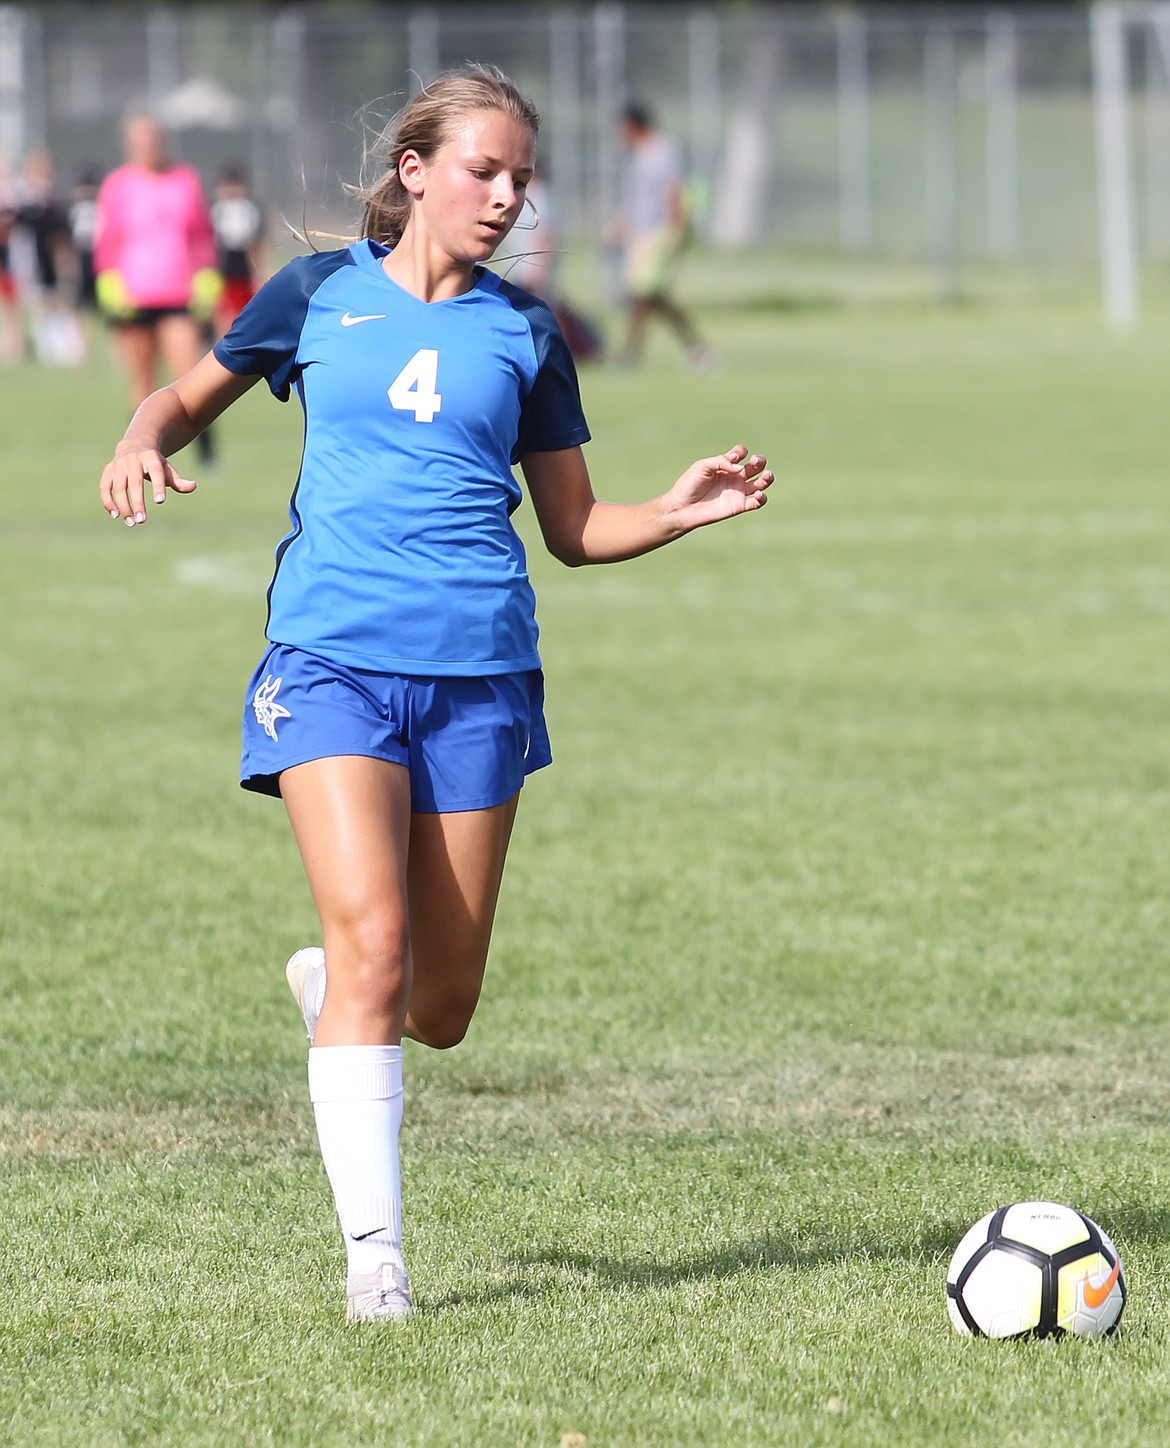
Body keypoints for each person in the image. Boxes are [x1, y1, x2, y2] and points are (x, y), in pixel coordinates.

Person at [98, 65, 771, 1324]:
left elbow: (572, 528)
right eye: (484, 170)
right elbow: (183, 395)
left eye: (522, 177)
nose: (507, 196)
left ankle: (338, 992)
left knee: (441, 1003)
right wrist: (142, 439)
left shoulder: (527, 332)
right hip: (330, 661)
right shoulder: (315, 296)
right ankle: (377, 1265)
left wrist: (675, 512)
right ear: (415, 171)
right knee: (378, 943)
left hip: (481, 678)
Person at [94, 114, 219, 461]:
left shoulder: (185, 180)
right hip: (133, 297)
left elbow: (202, 236)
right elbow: (106, 242)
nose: (149, 143)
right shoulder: (117, 185)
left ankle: (207, 455)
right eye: (141, 137)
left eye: (153, 136)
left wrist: (207, 279)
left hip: (178, 294)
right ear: (129, 143)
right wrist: (109, 285)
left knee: (191, 377)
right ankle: (137, 455)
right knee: (142, 381)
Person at [609, 101, 715, 371]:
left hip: (661, 232)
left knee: (644, 292)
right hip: (643, 234)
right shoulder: (641, 155)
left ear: (633, 126)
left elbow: (673, 190)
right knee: (653, 294)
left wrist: (676, 230)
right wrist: (620, 226)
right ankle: (697, 349)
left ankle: (629, 356)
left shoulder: (661, 151)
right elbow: (638, 199)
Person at [504, 168, 602, 363]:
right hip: (522, 265)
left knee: (548, 311)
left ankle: (563, 351)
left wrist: (539, 266)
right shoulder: (528, 194)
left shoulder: (541, 196)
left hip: (535, 266)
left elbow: (546, 235)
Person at [9, 149, 84, 366]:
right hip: (31, 265)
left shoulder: (54, 206)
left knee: (58, 304)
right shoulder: (22, 206)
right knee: (38, 306)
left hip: (53, 266)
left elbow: (63, 239)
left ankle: (60, 348)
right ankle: (43, 347)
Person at [209, 162, 266, 338]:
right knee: (224, 317)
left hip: (244, 270)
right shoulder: (215, 209)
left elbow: (255, 243)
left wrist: (259, 271)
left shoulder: (249, 209)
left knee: (247, 315)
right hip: (223, 270)